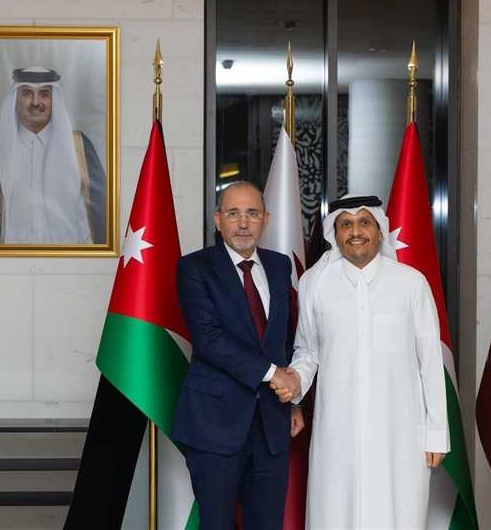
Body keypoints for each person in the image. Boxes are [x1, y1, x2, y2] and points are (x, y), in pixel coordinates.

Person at [274, 194, 450, 529]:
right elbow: (308, 351)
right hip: (337, 430)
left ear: (380, 231)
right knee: (335, 515)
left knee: (398, 516)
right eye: (346, 225)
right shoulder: (314, 283)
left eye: (364, 223)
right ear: (335, 234)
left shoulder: (411, 283)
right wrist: (294, 384)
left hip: (399, 433)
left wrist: (437, 433)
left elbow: (430, 361)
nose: (356, 231)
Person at [171, 181, 300, 530]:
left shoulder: (279, 266)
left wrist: (294, 398)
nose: (243, 223)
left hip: (272, 424)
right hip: (215, 424)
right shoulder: (194, 268)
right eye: (233, 213)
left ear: (265, 220)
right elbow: (209, 340)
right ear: (218, 220)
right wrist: (273, 374)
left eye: (252, 213)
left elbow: (285, 338)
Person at [0, 67, 106, 244]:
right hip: (7, 257)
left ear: (54, 100)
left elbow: (94, 219)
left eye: (44, 94)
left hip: (65, 256)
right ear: (15, 99)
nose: (35, 102)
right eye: (27, 94)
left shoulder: (78, 148)